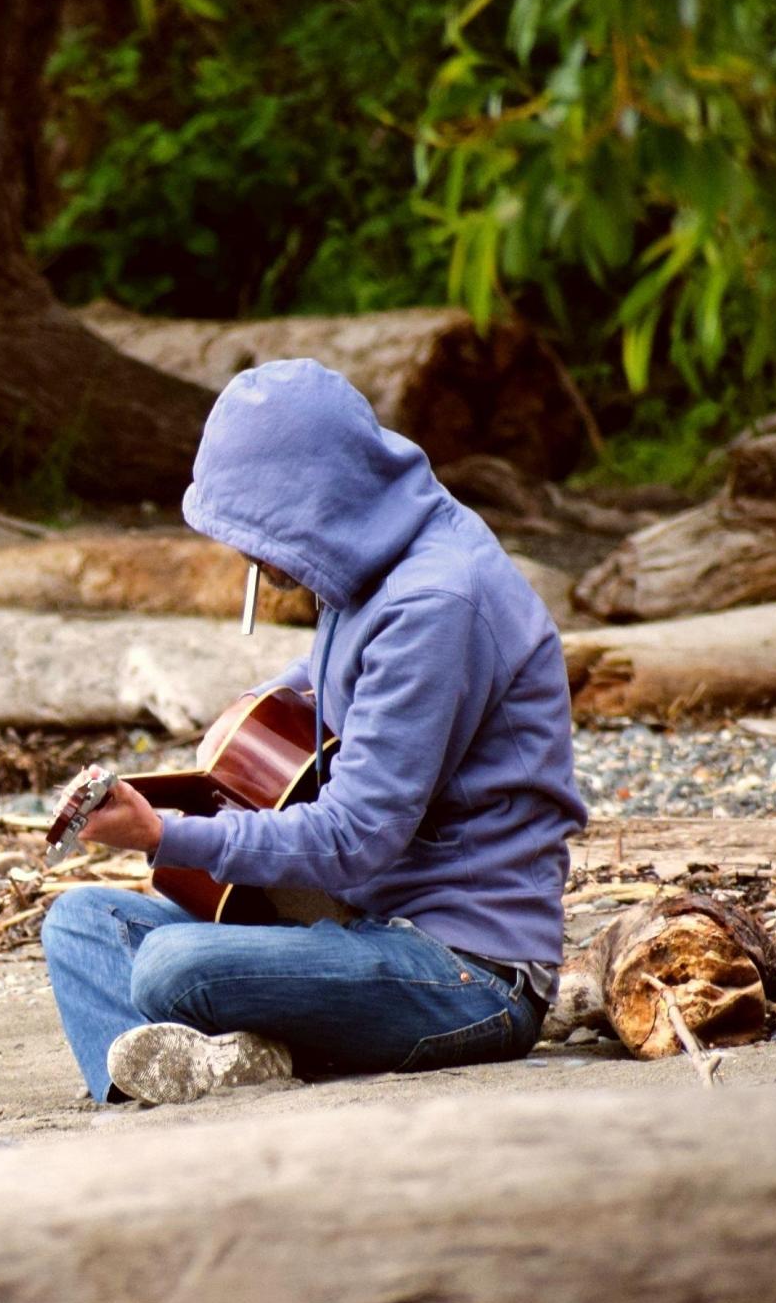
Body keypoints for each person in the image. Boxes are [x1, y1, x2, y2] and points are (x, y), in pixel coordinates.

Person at [41, 358, 586, 1105]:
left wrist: (165, 835)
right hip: (358, 926)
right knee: (81, 922)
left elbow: (355, 836)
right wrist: (257, 707)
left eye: (255, 529)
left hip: (467, 972)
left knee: (171, 966)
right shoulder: (368, 549)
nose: (246, 555)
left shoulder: (435, 600)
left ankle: (223, 1066)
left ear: (312, 499)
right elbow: (337, 669)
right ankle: (153, 1087)